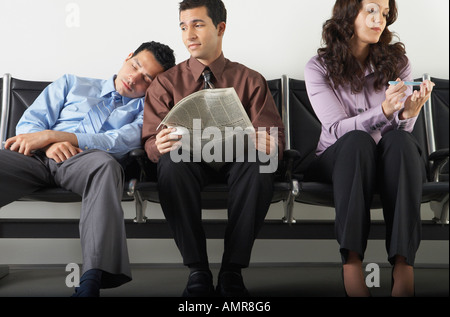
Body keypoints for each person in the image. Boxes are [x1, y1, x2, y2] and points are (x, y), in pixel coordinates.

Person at [0, 41, 175, 297]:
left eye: (147, 78)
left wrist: (58, 137)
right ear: (128, 57)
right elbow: (29, 123)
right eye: (135, 65)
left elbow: (118, 142)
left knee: (107, 165)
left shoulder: (147, 112)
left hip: (85, 161)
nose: (134, 78)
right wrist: (48, 144)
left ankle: (92, 280)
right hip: (36, 156)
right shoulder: (71, 83)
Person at [142, 0, 285, 297]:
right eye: (183, 26)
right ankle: (198, 270)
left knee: (261, 163)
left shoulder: (250, 80)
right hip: (189, 161)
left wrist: (271, 144)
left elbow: (274, 138)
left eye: (197, 24)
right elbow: (150, 142)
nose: (189, 35)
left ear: (220, 28)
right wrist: (158, 144)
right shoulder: (165, 84)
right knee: (171, 163)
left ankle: (232, 271)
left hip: (239, 162)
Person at [303, 0, 434, 297]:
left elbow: (399, 133)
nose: (380, 20)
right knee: (357, 141)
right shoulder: (319, 67)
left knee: (401, 141)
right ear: (349, 14)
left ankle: (403, 264)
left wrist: (406, 115)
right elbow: (336, 130)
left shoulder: (398, 62)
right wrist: (385, 111)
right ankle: (351, 262)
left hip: (384, 160)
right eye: (372, 10)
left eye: (385, 13)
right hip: (340, 159)